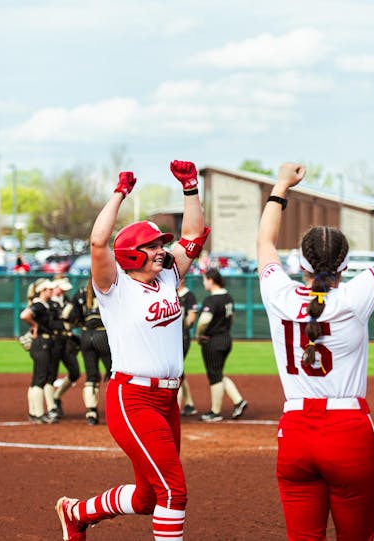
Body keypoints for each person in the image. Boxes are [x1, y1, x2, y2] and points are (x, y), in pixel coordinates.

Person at [256, 161, 374, 540]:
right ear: (345, 266)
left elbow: (264, 242)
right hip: (347, 432)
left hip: (295, 432)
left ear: (301, 263)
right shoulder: (354, 297)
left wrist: (282, 184)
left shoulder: (277, 293)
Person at [55, 160, 209, 541]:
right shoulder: (115, 288)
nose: (162, 249)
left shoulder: (169, 275)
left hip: (167, 399)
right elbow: (98, 243)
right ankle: (76, 515)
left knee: (147, 498)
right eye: (153, 245)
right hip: (133, 399)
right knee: (174, 491)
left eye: (161, 244)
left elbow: (193, 235)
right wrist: (119, 193)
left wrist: (190, 186)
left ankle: (76, 513)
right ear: (132, 253)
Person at [195, 268, 247, 422]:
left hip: (213, 340)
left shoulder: (212, 300)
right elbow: (232, 318)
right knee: (218, 373)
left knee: (214, 375)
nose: (204, 283)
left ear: (211, 280)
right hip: (226, 338)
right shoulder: (228, 297)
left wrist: (198, 335)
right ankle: (238, 401)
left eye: (205, 279)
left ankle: (215, 412)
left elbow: (204, 320)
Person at [72, 276, 113, 425]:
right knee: (113, 373)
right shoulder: (108, 290)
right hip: (103, 335)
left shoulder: (81, 293)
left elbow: (70, 316)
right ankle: (114, 410)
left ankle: (91, 413)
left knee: (91, 376)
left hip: (86, 335)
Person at [20, 279, 57, 423]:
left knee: (37, 378)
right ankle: (38, 414)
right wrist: (34, 324)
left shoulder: (44, 305)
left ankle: (34, 413)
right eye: (49, 289)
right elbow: (24, 315)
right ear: (42, 290)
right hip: (42, 343)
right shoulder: (39, 305)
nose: (51, 291)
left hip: (42, 343)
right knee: (40, 378)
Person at [48, 277, 81, 420]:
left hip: (66, 341)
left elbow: (75, 319)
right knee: (51, 375)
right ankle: (52, 407)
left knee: (75, 372)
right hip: (53, 341)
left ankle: (56, 395)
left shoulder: (67, 300)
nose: (62, 290)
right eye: (60, 287)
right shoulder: (47, 302)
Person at [177, 279, 199, 417]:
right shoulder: (169, 292)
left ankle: (176, 407)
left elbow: (191, 319)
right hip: (172, 338)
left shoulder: (188, 296)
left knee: (176, 372)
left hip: (182, 337)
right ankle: (190, 404)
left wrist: (180, 326)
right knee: (180, 371)